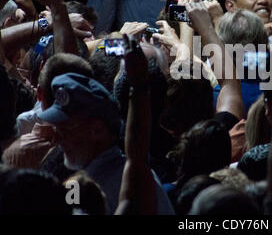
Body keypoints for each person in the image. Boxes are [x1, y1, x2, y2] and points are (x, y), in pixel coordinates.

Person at [38, 72, 174, 214]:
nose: (58, 138)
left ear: (96, 130)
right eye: (56, 128)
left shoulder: (113, 185)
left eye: (65, 129)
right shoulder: (137, 175)